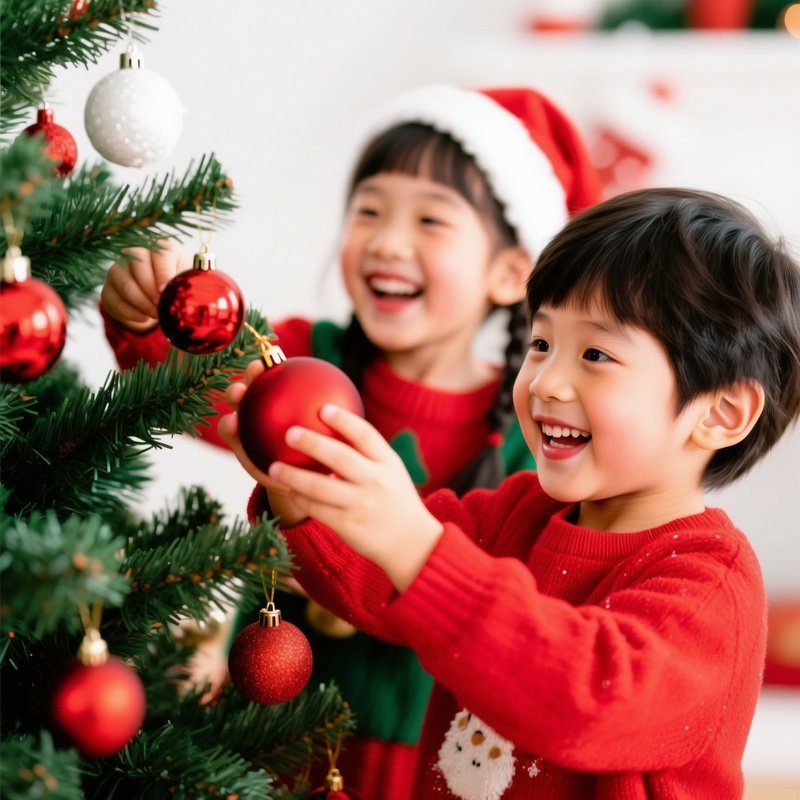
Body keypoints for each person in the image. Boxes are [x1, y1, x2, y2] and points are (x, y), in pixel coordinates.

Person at [99, 84, 602, 798]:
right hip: (268, 733)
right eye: (369, 211)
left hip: (433, 756)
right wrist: (152, 319)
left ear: (510, 273)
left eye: (430, 220)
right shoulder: (304, 362)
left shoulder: (534, 428)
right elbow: (195, 379)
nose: (388, 242)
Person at [217, 187, 800, 800]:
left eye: (595, 354)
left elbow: (588, 699)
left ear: (720, 413)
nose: (545, 382)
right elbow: (372, 579)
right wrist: (298, 492)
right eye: (540, 344)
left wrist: (416, 546)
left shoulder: (709, 586)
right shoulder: (516, 514)